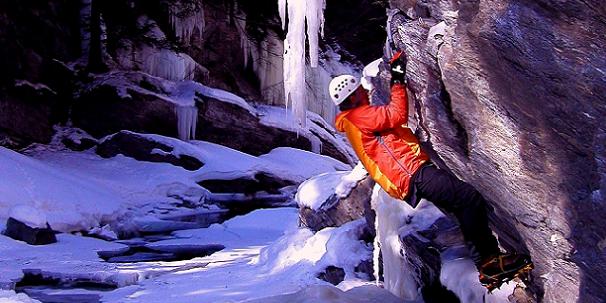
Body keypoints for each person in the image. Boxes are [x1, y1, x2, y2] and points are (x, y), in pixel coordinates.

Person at [329, 51, 533, 291]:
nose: (365, 92)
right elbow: (396, 114)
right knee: (469, 198)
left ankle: (488, 263)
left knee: (461, 204)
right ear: (352, 97)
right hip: (412, 173)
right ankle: (489, 264)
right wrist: (397, 76)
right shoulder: (359, 116)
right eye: (360, 91)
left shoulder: (353, 120)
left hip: (407, 175)